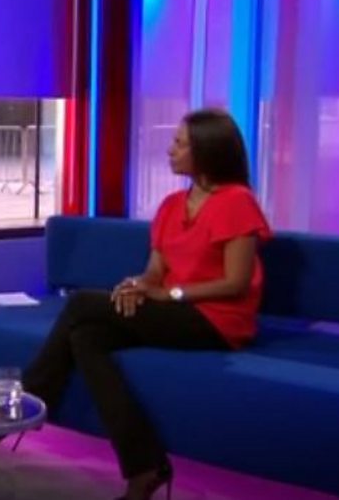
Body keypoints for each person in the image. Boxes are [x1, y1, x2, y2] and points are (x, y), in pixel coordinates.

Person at [17, 108, 270, 500]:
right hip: (173, 311)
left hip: (217, 321)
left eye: (180, 143)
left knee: (82, 304)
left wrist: (171, 294)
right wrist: (139, 285)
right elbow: (155, 271)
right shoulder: (172, 204)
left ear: (207, 150)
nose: (170, 150)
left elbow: (236, 283)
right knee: (87, 337)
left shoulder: (237, 202)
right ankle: (145, 465)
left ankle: (28, 403)